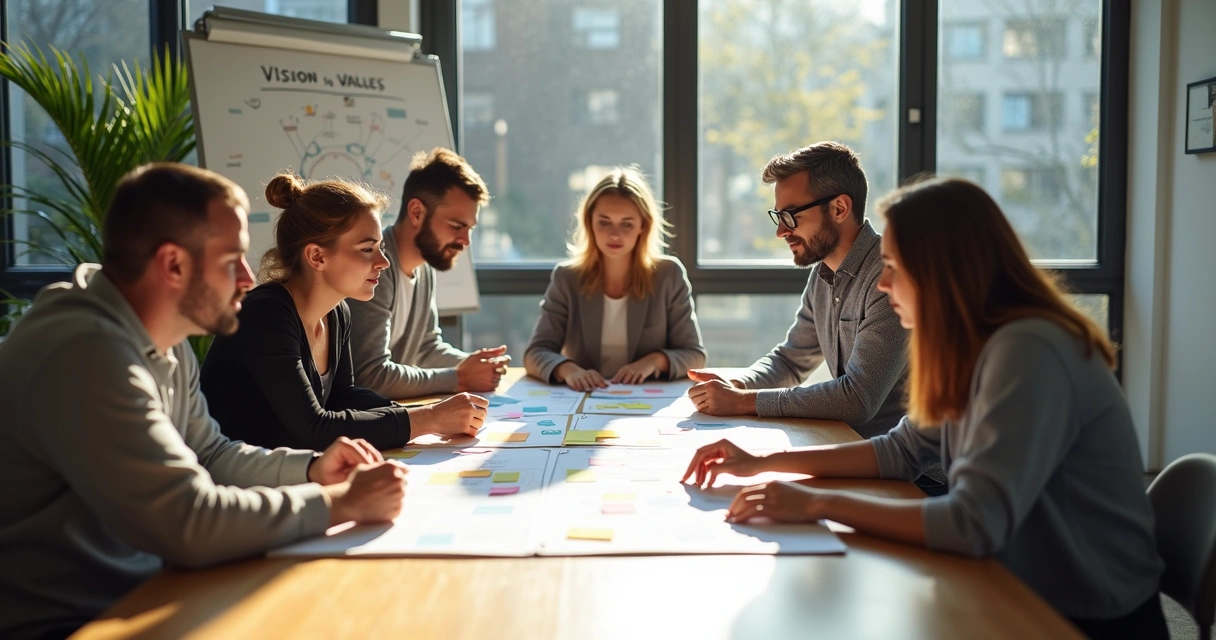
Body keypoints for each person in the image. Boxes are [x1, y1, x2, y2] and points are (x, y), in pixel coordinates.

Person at [682, 177, 1166, 639]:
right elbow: (901, 450)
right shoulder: (972, 343)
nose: (883, 283)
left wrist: (817, 502)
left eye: (894, 266)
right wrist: (763, 465)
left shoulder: (1027, 349)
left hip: (1081, 618)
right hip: (1019, 585)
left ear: (942, 269)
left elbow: (971, 523)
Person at [0, 163, 408, 639]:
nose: (248, 278)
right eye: (231, 259)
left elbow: (211, 454)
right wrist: (339, 502)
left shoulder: (166, 340)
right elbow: (186, 523)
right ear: (173, 265)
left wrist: (312, 468)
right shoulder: (84, 352)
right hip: (74, 622)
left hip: (147, 591)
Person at [201, 174, 487, 451]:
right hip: (235, 485)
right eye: (367, 249)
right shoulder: (267, 315)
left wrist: (431, 413)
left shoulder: (337, 314)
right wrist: (428, 419)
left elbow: (342, 398)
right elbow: (313, 427)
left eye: (381, 248)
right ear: (317, 256)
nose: (383, 262)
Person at [687, 142, 908, 439]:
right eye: (778, 217)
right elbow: (791, 360)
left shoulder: (889, 278)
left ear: (840, 208)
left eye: (791, 215)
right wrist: (739, 384)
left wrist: (744, 402)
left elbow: (858, 399)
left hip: (915, 476)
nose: (781, 231)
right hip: (857, 450)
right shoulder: (823, 273)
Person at [523, 166, 706, 391]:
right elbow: (535, 353)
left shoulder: (668, 275)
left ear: (643, 226)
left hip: (646, 403)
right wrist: (569, 370)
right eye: (604, 221)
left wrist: (652, 362)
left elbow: (694, 355)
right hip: (584, 400)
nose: (614, 234)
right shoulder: (567, 277)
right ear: (590, 222)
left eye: (627, 224)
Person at [347, 147, 509, 399]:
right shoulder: (375, 269)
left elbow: (425, 348)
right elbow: (370, 376)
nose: (465, 241)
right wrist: (460, 378)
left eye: (470, 229)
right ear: (416, 213)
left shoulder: (423, 269)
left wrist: (476, 365)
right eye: (457, 226)